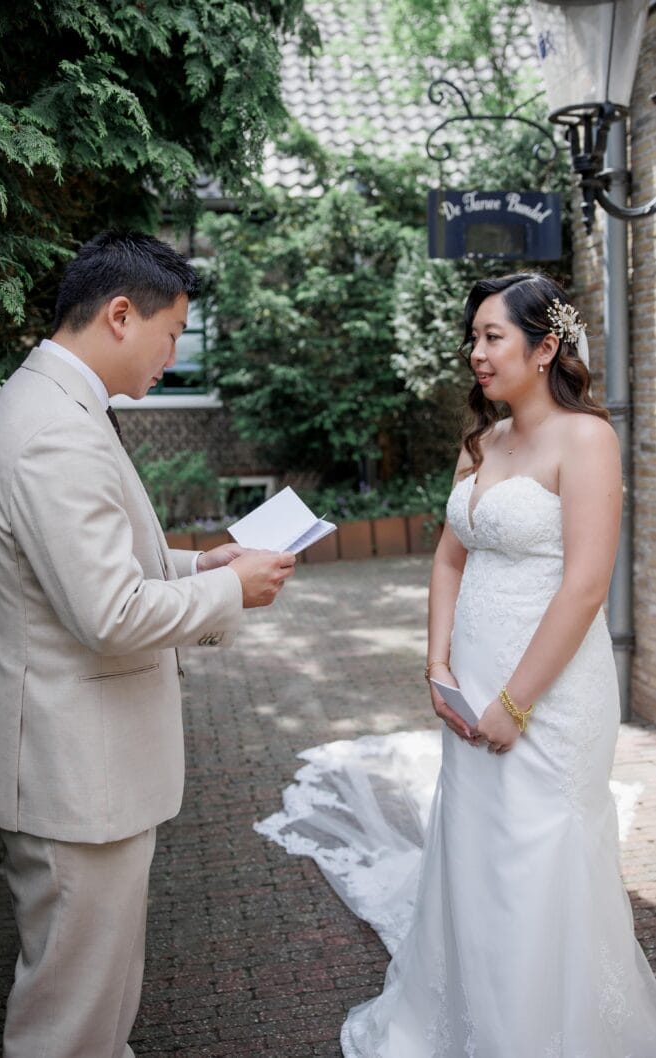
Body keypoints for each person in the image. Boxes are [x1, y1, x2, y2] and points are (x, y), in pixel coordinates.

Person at [256, 272, 656, 1056]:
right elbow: (447, 561)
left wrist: (515, 702)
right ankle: (472, 1015)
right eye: (471, 337)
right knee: (475, 848)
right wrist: (436, 664)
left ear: (544, 349)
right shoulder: (481, 442)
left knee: (536, 855)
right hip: (470, 684)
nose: (474, 353)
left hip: (550, 693)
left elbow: (582, 588)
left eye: (491, 336)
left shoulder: (586, 440)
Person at [0, 230, 296, 1058]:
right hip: (75, 775)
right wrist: (232, 591)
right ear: (120, 314)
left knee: (95, 1003)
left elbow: (81, 568)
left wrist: (198, 562)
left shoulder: (61, 405)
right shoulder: (55, 430)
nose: (173, 353)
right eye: (173, 332)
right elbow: (108, 614)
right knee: (70, 1020)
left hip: (82, 767)